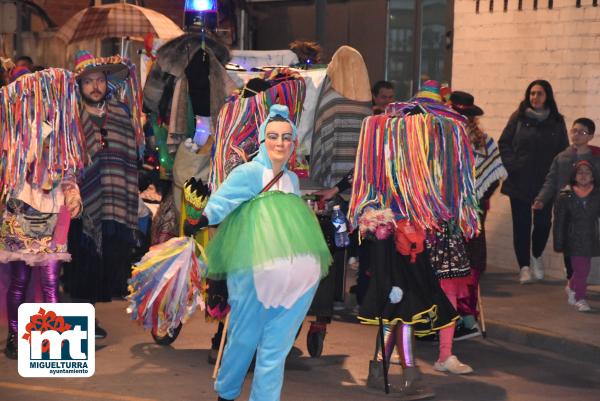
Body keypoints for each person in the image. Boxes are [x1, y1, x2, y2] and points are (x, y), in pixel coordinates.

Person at [185, 104, 331, 401]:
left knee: (276, 350)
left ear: (293, 143)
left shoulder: (292, 180)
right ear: (263, 141)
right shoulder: (250, 172)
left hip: (296, 283)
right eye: (274, 136)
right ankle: (226, 393)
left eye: (287, 137)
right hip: (254, 275)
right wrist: (199, 217)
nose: (280, 143)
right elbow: (221, 203)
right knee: (242, 340)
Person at [1, 68, 83, 359]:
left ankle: (49, 344)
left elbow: (69, 171)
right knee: (20, 281)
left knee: (50, 282)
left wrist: (73, 195)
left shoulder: (61, 130)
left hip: (53, 213)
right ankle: (15, 335)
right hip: (20, 214)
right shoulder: (13, 132)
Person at [65, 51, 143, 338]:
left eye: (99, 80)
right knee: (81, 260)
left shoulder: (121, 113)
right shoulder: (70, 115)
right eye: (88, 82)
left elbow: (130, 157)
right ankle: (80, 321)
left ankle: (89, 317)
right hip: (81, 201)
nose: (95, 86)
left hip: (114, 198)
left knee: (102, 262)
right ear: (79, 86)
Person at [498, 80, 569, 284]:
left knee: (543, 224)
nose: (534, 97)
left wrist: (557, 177)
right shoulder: (518, 118)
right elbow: (504, 143)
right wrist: (514, 165)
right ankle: (524, 267)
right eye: (531, 93)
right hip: (519, 181)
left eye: (539, 94)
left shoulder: (556, 121)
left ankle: (536, 256)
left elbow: (563, 151)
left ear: (547, 96)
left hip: (545, 184)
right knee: (521, 226)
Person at [450, 91, 507, 339]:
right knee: (447, 263)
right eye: (458, 115)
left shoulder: (485, 143)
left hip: (472, 212)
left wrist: (477, 196)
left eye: (465, 116)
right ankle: (447, 317)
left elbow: (494, 177)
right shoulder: (442, 141)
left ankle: (467, 317)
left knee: (469, 263)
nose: (462, 119)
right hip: (447, 211)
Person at [533, 118, 600, 282]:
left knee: (585, 245)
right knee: (568, 243)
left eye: (582, 132)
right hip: (566, 210)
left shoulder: (596, 159)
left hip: (588, 212)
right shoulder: (562, 157)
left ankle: (577, 278)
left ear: (590, 136)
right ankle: (571, 277)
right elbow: (551, 180)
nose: (576, 135)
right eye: (574, 131)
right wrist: (541, 199)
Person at [553, 160, 600, 312]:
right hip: (573, 239)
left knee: (581, 269)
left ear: (593, 176)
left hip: (591, 237)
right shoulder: (566, 195)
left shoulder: (597, 195)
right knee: (582, 270)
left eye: (587, 172)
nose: (584, 175)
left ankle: (571, 286)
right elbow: (559, 221)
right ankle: (580, 298)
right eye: (580, 172)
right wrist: (559, 241)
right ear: (574, 176)